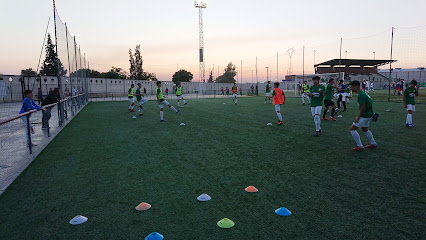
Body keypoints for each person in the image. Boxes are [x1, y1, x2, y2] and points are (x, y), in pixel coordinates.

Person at [348, 80, 377, 151]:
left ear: (356, 87)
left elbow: (363, 107)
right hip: (369, 114)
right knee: (365, 129)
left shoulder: (361, 95)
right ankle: (373, 143)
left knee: (352, 129)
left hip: (365, 115)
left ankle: (359, 146)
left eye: (351, 87)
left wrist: (358, 117)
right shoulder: (362, 93)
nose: (350, 89)